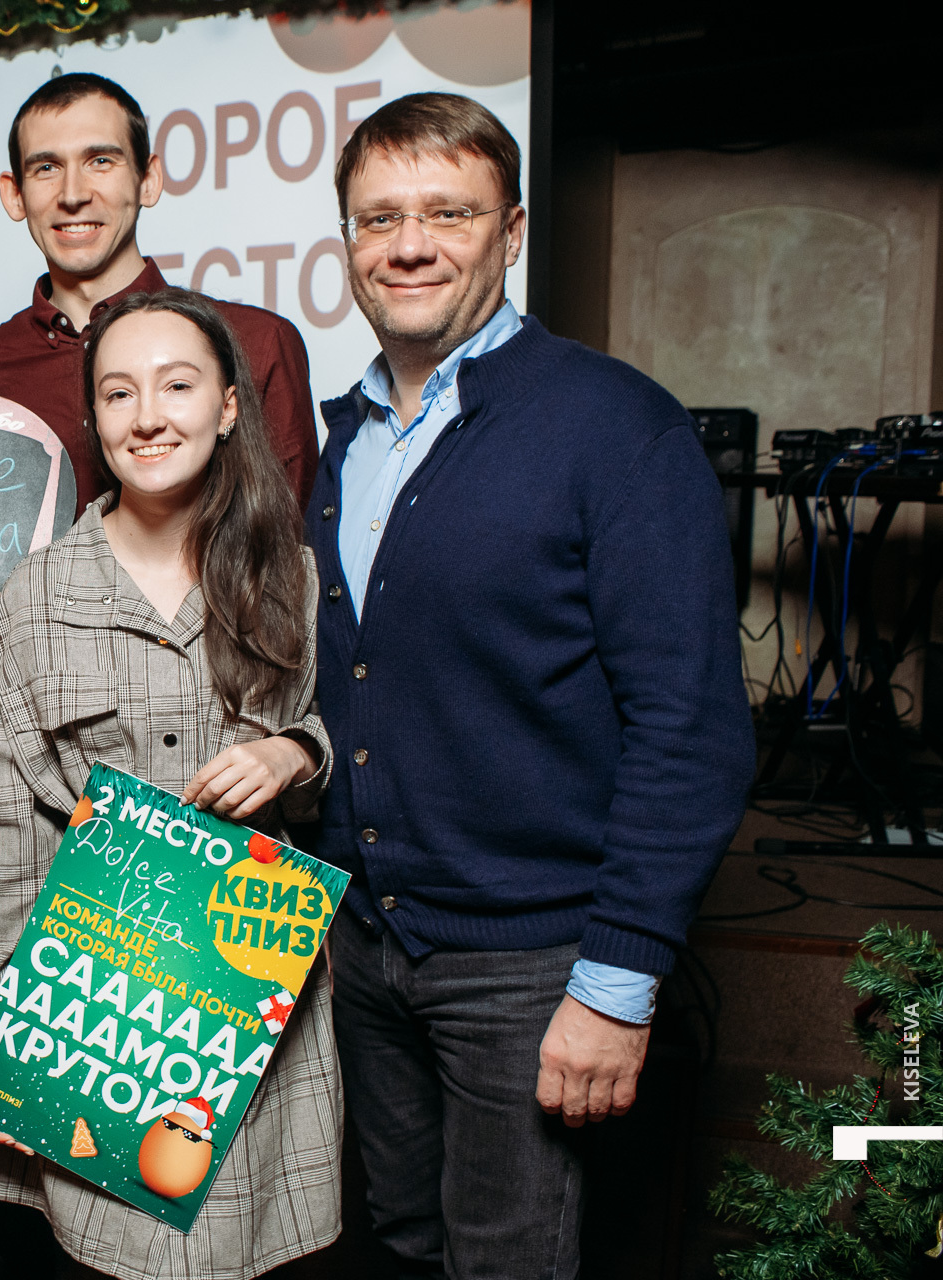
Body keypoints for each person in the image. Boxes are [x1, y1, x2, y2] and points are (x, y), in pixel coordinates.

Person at [309, 93, 755, 1277]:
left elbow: (690, 727)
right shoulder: (344, 438)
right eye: (379, 218)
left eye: (448, 213)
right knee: (404, 1241)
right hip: (364, 948)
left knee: (510, 1259)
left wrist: (615, 983)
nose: (410, 245)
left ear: (510, 231)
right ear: (348, 242)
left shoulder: (616, 426)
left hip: (532, 964)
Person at [0, 288, 338, 1280]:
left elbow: (349, 759)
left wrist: (297, 752)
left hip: (259, 1009)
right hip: (98, 1020)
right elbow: (11, 847)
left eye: (177, 386)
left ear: (228, 406)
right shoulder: (33, 601)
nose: (147, 416)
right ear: (94, 419)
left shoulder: (294, 578)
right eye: (118, 393)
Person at [0, 73, 321, 684]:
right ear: (14, 195)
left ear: (149, 179)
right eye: (46, 168)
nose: (73, 194)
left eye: (101, 161)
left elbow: (290, 555)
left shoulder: (254, 343)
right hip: (40, 699)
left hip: (218, 696)